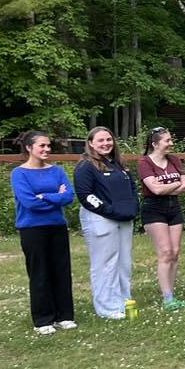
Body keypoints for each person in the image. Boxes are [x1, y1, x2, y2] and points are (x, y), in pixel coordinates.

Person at [11, 131, 76, 334]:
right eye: (42, 146)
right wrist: (55, 196)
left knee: (61, 271)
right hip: (32, 229)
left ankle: (64, 316)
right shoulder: (19, 174)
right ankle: (43, 319)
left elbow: (69, 197)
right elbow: (29, 203)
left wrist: (44, 196)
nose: (47, 149)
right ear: (29, 148)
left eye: (48, 145)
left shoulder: (56, 171)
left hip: (57, 226)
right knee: (40, 273)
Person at [74, 126, 139, 320]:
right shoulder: (86, 166)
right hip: (101, 220)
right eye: (100, 140)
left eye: (108, 140)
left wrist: (133, 207)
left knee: (123, 263)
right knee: (105, 264)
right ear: (91, 143)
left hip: (124, 220)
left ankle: (123, 300)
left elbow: (132, 188)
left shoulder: (118, 164)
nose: (105, 144)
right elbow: (85, 195)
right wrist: (108, 210)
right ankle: (107, 307)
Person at [138, 126, 185, 312]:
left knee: (175, 252)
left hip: (174, 207)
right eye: (167, 141)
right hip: (154, 209)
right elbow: (155, 190)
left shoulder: (174, 160)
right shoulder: (144, 162)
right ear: (155, 144)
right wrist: (175, 183)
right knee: (165, 252)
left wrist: (169, 185)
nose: (171, 144)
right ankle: (167, 298)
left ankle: (171, 293)